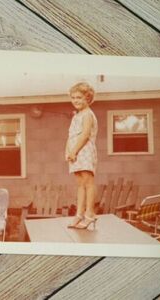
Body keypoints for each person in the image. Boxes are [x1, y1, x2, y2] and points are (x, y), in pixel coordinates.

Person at [65, 82, 98, 230]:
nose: (75, 100)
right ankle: (79, 214)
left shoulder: (88, 114)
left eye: (79, 97)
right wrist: (68, 151)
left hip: (84, 151)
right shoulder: (76, 115)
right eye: (73, 98)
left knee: (88, 183)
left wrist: (74, 151)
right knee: (80, 185)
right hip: (74, 152)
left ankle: (90, 214)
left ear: (87, 98)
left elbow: (85, 135)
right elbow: (70, 135)